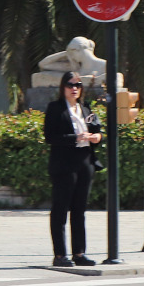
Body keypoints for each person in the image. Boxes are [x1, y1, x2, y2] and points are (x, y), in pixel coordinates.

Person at [44, 70, 102, 267]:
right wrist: (75, 138)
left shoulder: (85, 107)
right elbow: (49, 137)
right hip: (64, 163)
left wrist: (96, 137)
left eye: (78, 85)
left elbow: (97, 130)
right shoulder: (55, 108)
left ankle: (79, 253)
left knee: (79, 210)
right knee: (60, 210)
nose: (74, 89)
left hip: (84, 161)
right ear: (63, 88)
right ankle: (60, 255)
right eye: (70, 85)